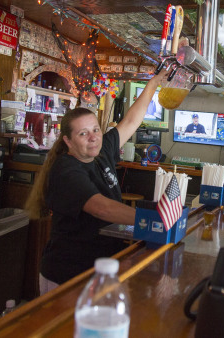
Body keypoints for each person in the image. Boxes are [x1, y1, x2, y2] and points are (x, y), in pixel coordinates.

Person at [25, 70, 167, 295]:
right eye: (83, 134)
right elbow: (101, 208)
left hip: (100, 270)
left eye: (95, 129)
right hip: (69, 276)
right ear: (68, 141)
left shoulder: (102, 152)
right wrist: (155, 221)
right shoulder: (66, 169)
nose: (93, 137)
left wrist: (153, 83)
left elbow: (131, 120)